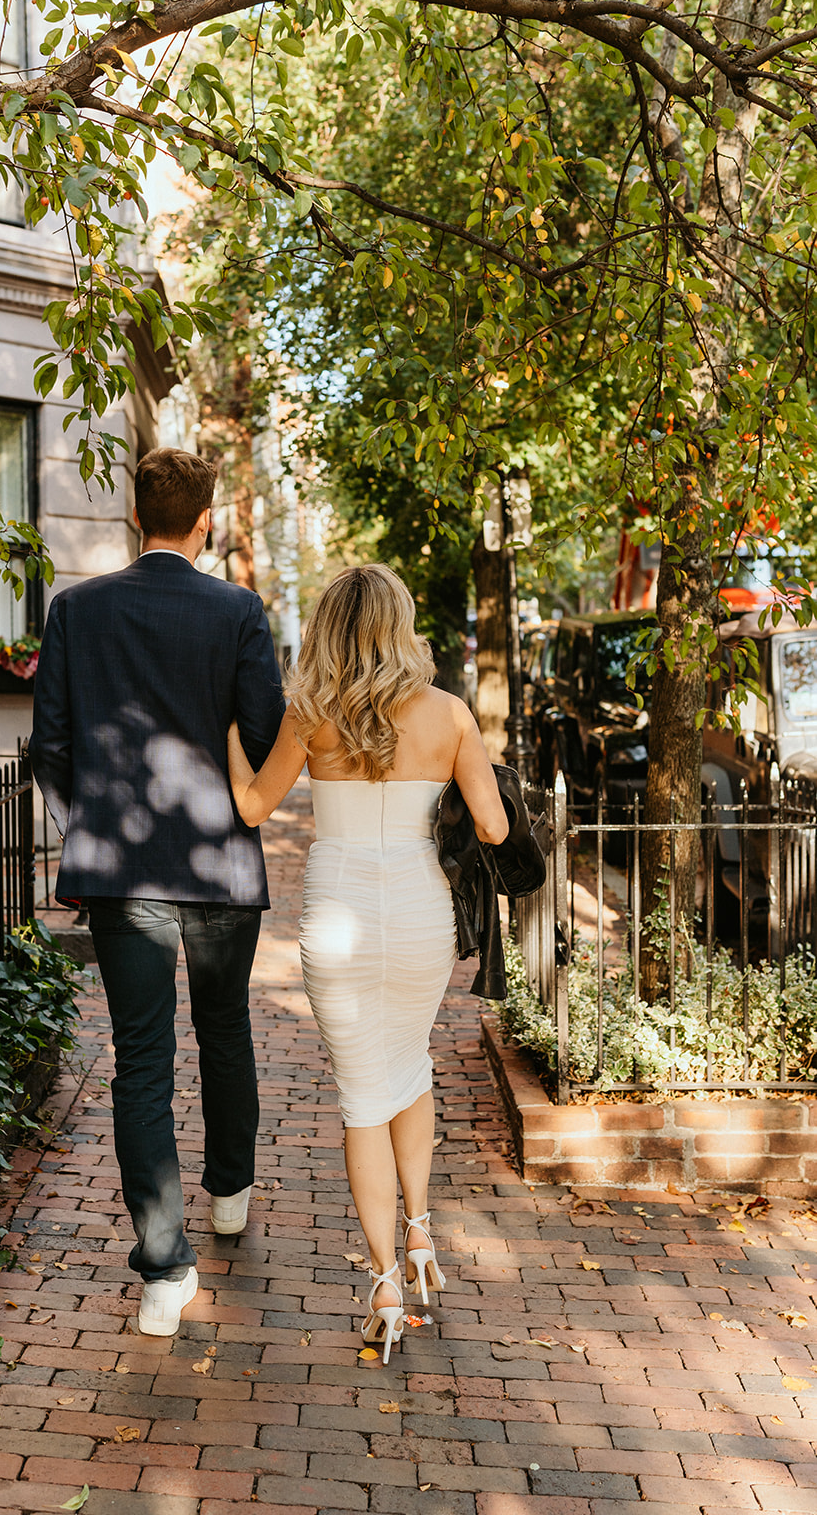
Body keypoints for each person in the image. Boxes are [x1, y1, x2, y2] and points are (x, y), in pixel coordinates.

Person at [30, 448, 284, 1338]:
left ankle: (163, 1272)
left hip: (122, 866)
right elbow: (264, 731)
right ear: (205, 519)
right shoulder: (237, 611)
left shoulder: (77, 610)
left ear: (135, 514)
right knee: (224, 1029)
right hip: (217, 861)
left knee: (141, 1057)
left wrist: (85, 829)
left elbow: (50, 747)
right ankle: (229, 1193)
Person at [227, 564, 507, 1363]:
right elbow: (490, 829)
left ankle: (384, 1281)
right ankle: (420, 1235)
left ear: (328, 630)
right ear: (399, 623)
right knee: (408, 1067)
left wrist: (224, 742)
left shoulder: (308, 714)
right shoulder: (449, 714)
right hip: (418, 910)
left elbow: (252, 808)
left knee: (361, 1096)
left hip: (339, 914)